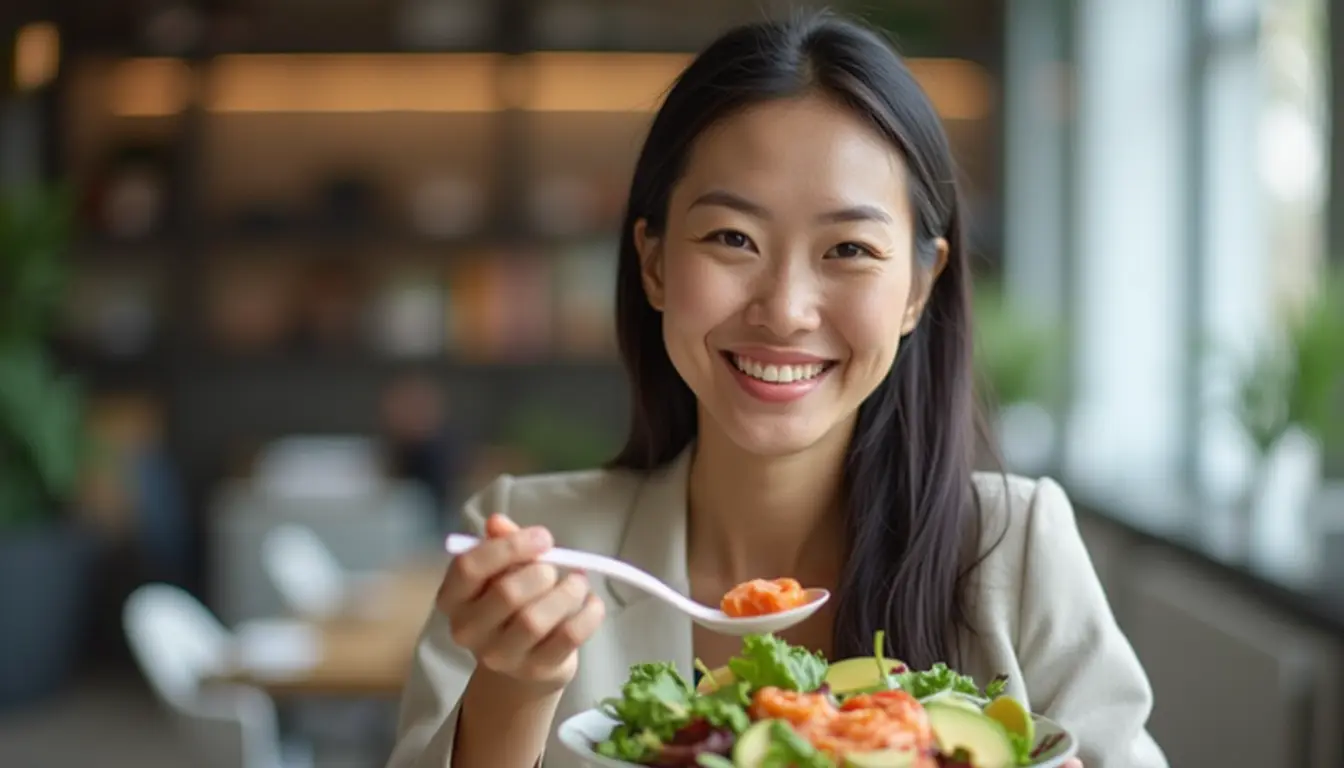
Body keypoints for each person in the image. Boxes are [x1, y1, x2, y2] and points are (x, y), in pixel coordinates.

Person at [386, 11, 1167, 768]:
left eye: (850, 248)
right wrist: (514, 696)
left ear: (918, 288)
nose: (786, 310)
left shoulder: (1015, 548)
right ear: (655, 264)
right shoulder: (536, 543)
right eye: (733, 238)